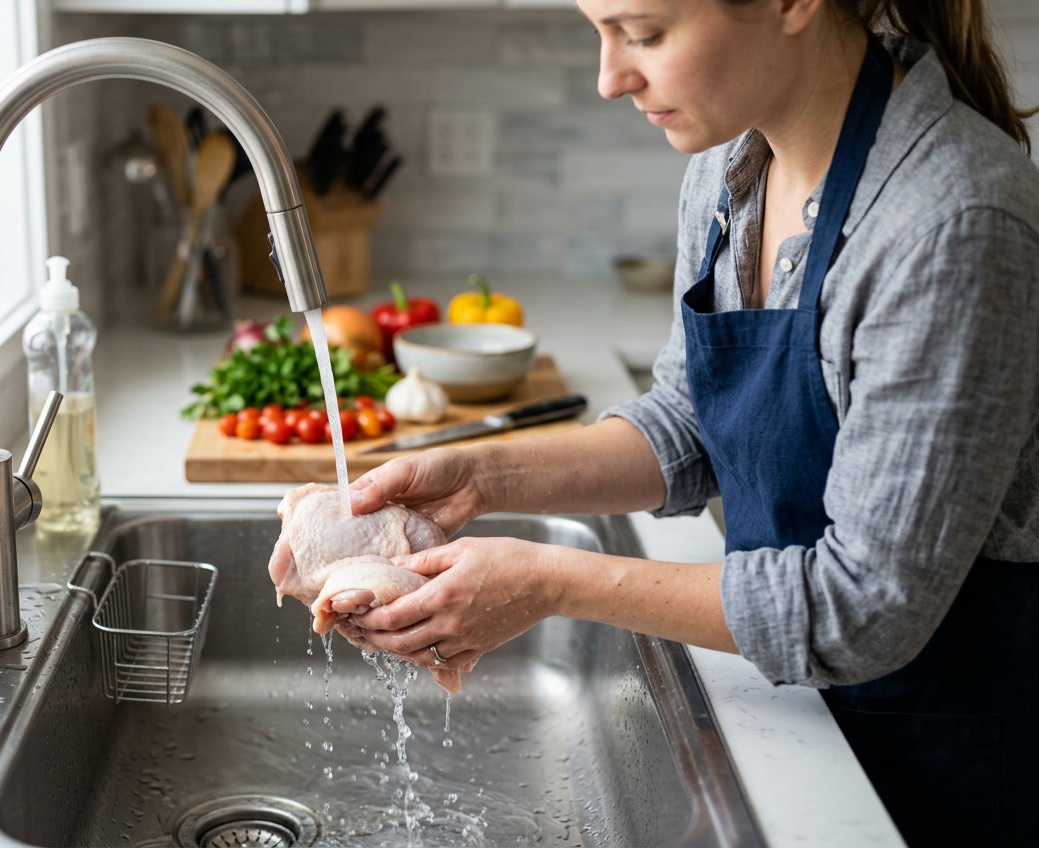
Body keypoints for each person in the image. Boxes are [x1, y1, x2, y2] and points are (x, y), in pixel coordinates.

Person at [311, 1, 1039, 844]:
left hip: (944, 769)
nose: (610, 77)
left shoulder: (950, 224)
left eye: (645, 34)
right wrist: (483, 476)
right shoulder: (736, 164)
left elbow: (863, 606)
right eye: (600, 31)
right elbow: (689, 421)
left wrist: (551, 583)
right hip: (796, 716)